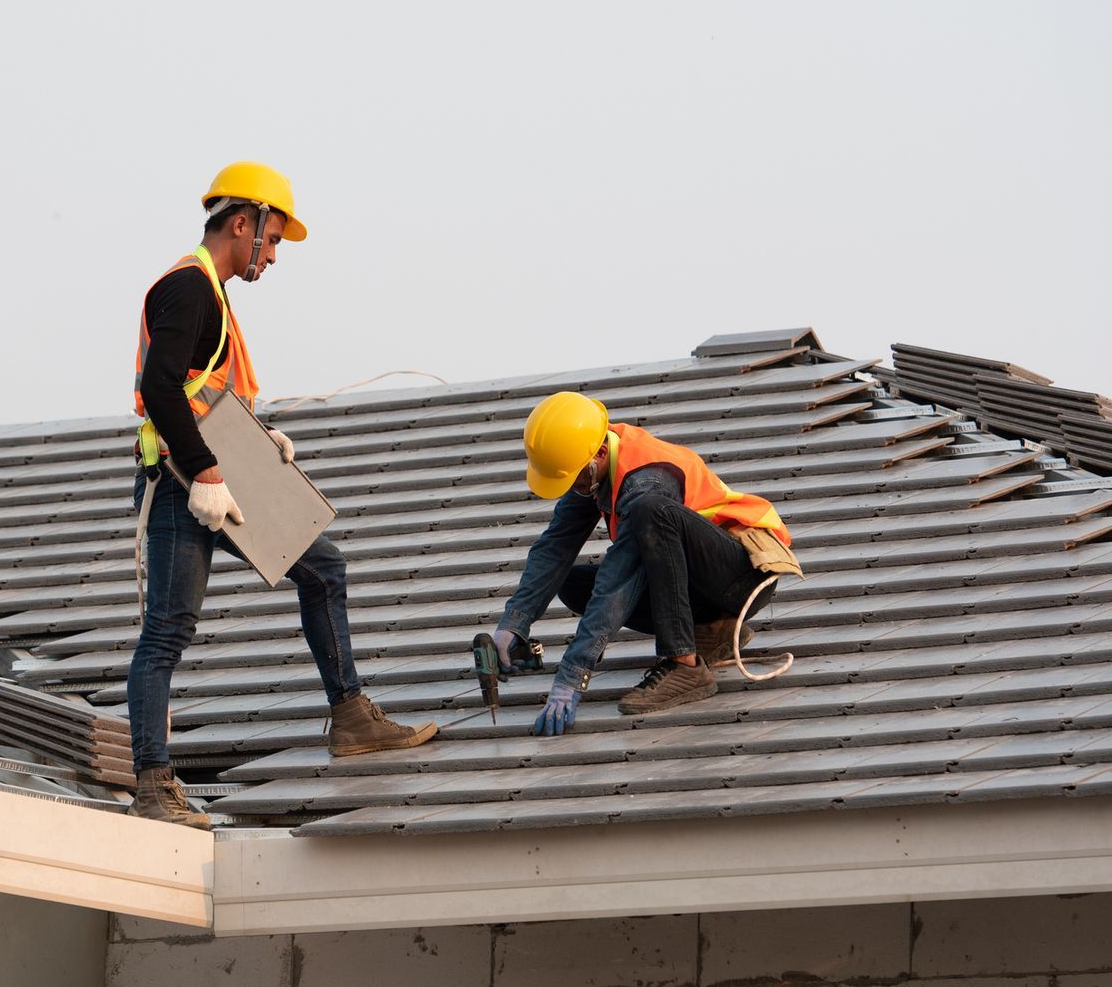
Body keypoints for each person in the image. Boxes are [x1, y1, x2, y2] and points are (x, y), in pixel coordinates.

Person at [126, 162, 437, 828]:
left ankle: (351, 717)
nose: (272, 255)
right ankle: (153, 785)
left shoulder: (210, 293)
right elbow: (158, 390)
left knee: (323, 567)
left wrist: (258, 438)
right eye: (271, 240)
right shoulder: (188, 288)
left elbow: (195, 391)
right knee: (167, 634)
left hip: (213, 473)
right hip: (186, 487)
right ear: (243, 223)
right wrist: (208, 471)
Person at [490, 391, 798, 736]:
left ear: (600, 455)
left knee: (649, 512)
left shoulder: (647, 480)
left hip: (744, 577)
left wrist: (573, 674)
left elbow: (618, 581)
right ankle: (713, 632)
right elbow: (554, 547)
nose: (574, 489)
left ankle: (684, 665)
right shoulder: (595, 467)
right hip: (705, 585)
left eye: (575, 478)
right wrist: (514, 623)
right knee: (574, 584)